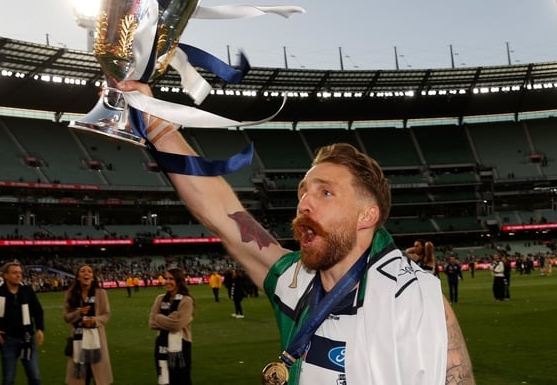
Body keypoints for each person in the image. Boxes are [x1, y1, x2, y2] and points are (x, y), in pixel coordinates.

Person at [115, 80, 474, 385]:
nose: (304, 202)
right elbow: (224, 215)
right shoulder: (294, 280)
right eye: (303, 190)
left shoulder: (413, 300)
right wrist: (156, 123)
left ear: (367, 215)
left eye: (325, 192)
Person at [0, 261, 45, 385]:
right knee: (8, 380)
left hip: (27, 339)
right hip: (7, 340)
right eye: (14, 273)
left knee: (35, 378)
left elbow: (38, 311)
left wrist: (40, 328)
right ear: (5, 276)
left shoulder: (27, 291)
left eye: (20, 273)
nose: (18, 275)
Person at [63, 264, 113, 385]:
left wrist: (94, 321)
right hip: (78, 340)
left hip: (96, 340)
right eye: (83, 271)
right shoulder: (71, 294)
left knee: (98, 377)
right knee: (80, 378)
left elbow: (106, 315)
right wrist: (78, 313)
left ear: (93, 277)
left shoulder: (100, 293)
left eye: (89, 271)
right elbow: (66, 317)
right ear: (78, 277)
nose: (86, 273)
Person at [149, 267, 195, 385]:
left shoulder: (186, 300)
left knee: (181, 379)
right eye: (166, 278)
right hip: (161, 345)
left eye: (171, 279)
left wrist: (159, 318)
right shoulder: (160, 299)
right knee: (163, 379)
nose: (167, 281)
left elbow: (177, 325)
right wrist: (172, 317)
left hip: (181, 345)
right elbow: (152, 323)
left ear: (179, 281)